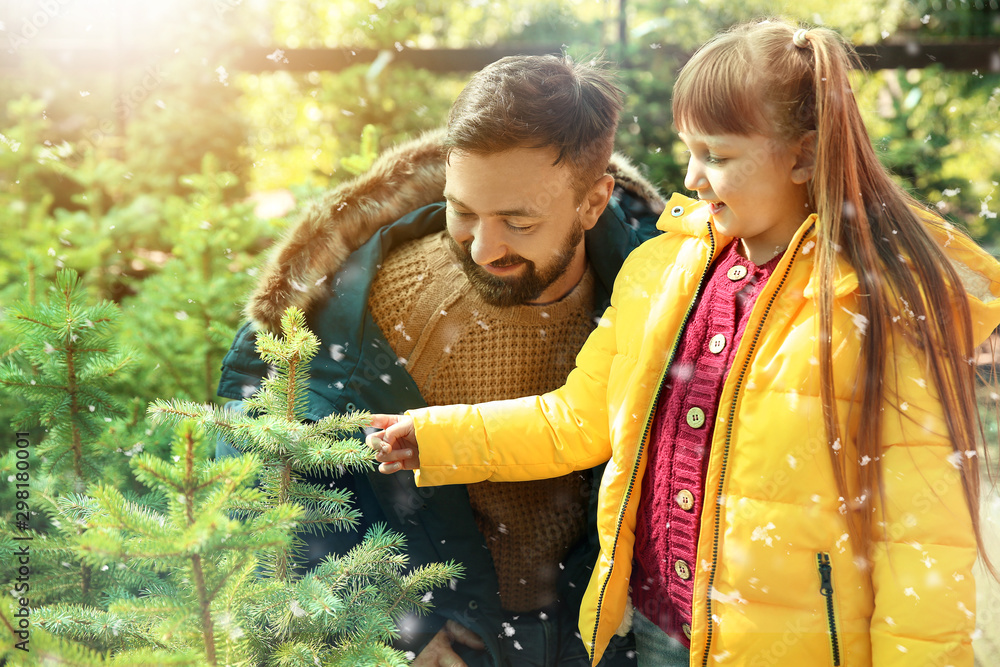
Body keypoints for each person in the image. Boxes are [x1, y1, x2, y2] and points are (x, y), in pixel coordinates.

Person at [369, 19, 1000, 667]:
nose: (693, 177)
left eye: (719, 156)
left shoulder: (873, 303)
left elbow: (919, 540)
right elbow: (578, 419)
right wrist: (437, 437)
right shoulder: (661, 272)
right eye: (688, 150)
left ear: (805, 155)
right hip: (659, 631)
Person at [216, 55, 665, 665]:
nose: (483, 248)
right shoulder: (382, 303)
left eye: (518, 221)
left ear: (593, 203)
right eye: (464, 211)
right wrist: (398, 628)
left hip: (606, 638)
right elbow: (273, 471)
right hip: (453, 643)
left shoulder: (663, 293)